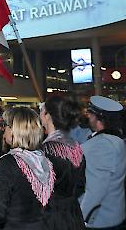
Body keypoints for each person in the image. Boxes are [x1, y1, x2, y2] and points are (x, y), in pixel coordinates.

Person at [0, 106, 55, 230]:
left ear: (14, 130)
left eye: (6, 125)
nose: (3, 129)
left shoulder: (8, 163)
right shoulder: (45, 161)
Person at [81, 96, 126, 230]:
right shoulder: (115, 140)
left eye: (90, 114)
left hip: (99, 220)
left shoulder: (102, 145)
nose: (88, 117)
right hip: (111, 215)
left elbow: (95, 190)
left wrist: (80, 218)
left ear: (99, 118)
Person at [39, 96, 86, 230]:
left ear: (48, 116)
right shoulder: (75, 146)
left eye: (42, 110)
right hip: (73, 213)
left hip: (52, 217)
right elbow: (81, 184)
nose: (40, 114)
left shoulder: (48, 149)